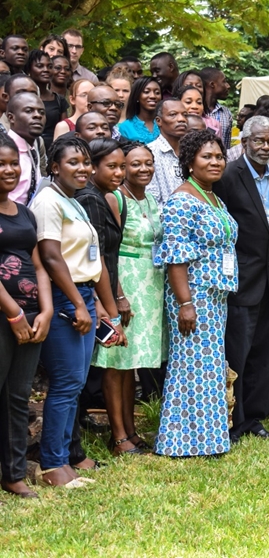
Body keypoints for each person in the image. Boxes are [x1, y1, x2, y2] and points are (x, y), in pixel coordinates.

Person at [32, 136, 124, 485]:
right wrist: (76, 303)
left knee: (75, 382)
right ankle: (53, 465)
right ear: (55, 166)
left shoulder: (74, 201)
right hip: (62, 297)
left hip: (82, 295)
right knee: (66, 382)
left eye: (86, 162)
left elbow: (92, 259)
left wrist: (102, 308)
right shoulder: (48, 202)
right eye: (73, 162)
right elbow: (52, 257)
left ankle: (68, 457)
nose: (83, 168)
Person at [154, 129, 237, 457]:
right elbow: (175, 256)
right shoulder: (181, 201)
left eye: (219, 156)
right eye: (207, 156)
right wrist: (185, 303)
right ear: (189, 162)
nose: (215, 162)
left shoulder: (213, 197)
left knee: (210, 367)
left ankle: (210, 440)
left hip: (217, 294)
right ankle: (178, 441)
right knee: (191, 367)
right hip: (193, 295)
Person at [212, 117, 269, 442]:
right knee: (237, 355)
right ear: (245, 141)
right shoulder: (228, 175)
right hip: (241, 280)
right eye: (260, 141)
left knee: (263, 356)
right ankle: (234, 421)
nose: (266, 147)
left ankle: (255, 418)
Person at [91, 142, 165, 454]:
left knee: (131, 362)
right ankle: (118, 435)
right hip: (126, 283)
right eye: (133, 164)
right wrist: (118, 296)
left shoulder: (147, 197)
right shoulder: (115, 198)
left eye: (148, 163)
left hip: (150, 283)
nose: (142, 169)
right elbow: (108, 251)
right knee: (116, 362)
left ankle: (131, 431)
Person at [0, 134, 52, 499]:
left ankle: (14, 473)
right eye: (1, 164)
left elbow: (39, 265)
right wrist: (14, 313)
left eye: (13, 163)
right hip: (7, 317)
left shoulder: (24, 213)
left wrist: (45, 311)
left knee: (17, 397)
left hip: (32, 317)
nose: (8, 170)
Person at [76, 139, 135, 454]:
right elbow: (94, 258)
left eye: (121, 166)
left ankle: (124, 431)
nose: (119, 172)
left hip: (107, 289)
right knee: (102, 368)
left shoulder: (107, 197)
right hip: (95, 294)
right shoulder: (91, 200)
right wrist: (108, 308)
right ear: (93, 167)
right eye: (111, 166)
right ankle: (114, 438)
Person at [6, 93, 46, 205]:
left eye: (42, 112)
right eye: (29, 111)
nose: (37, 116)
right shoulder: (3, 151)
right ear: (11, 118)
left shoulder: (34, 146)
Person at [146, 98, 189, 203]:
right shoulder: (150, 153)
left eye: (185, 115)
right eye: (173, 114)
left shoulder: (191, 152)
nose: (181, 119)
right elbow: (152, 201)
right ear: (158, 121)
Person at [26, 50, 69, 149]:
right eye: (40, 66)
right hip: (29, 147)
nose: (46, 70)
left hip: (53, 149)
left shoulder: (59, 100)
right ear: (29, 70)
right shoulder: (22, 98)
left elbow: (64, 132)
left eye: (49, 66)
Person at [117, 77, 162, 143]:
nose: (153, 96)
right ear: (137, 96)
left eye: (157, 93)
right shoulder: (125, 127)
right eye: (146, 92)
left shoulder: (166, 123)